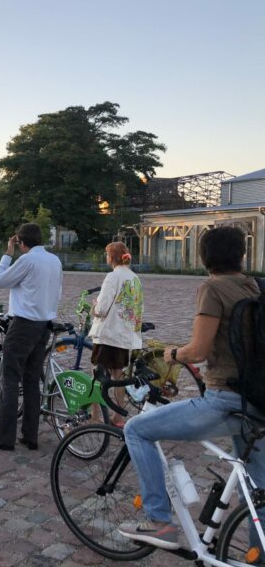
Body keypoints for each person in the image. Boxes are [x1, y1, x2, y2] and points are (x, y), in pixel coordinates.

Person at [118, 226, 264, 549]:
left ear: (205, 257)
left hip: (224, 400)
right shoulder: (255, 286)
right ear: (242, 255)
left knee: (136, 430)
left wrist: (173, 354)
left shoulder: (212, 288)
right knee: (257, 492)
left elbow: (197, 350)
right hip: (256, 401)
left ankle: (158, 520)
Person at [0, 223, 62, 451]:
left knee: (10, 378)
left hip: (24, 324)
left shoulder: (27, 260)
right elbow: (58, 292)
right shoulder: (54, 260)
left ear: (21, 242)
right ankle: (30, 435)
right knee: (31, 380)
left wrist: (8, 254)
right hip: (43, 324)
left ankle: (4, 437)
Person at [88, 241, 144, 427]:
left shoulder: (113, 277)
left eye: (107, 255)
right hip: (125, 334)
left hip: (108, 334)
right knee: (117, 375)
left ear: (111, 257)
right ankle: (118, 417)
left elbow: (102, 308)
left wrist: (94, 307)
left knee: (97, 374)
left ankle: (95, 416)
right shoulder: (134, 278)